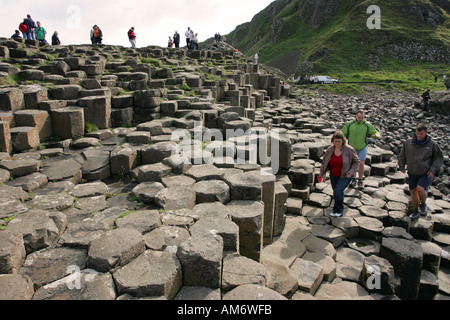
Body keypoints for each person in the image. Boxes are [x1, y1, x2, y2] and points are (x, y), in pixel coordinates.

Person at [398, 123, 443, 220]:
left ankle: (423, 204)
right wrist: (401, 166)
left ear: (426, 133)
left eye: (421, 134)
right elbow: (402, 155)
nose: (419, 136)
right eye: (417, 133)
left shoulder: (432, 144)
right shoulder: (408, 143)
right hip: (412, 170)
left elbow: (438, 158)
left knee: (420, 189)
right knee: (413, 191)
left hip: (425, 172)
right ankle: (415, 210)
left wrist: (433, 171)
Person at [318, 131, 360, 217]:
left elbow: (356, 162)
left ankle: (338, 210)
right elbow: (324, 163)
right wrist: (321, 174)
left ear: (343, 141)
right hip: (333, 175)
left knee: (338, 191)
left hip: (345, 175)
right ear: (332, 141)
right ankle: (337, 209)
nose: (337, 143)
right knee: (337, 192)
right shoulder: (330, 150)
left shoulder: (349, 150)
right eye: (335, 141)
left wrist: (351, 172)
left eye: (339, 141)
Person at [341, 110, 381, 189]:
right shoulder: (349, 124)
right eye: (359, 117)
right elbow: (343, 133)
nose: (360, 119)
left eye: (362, 118)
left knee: (361, 163)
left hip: (362, 146)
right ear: (356, 116)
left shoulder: (367, 125)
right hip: (351, 147)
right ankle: (353, 179)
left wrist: (376, 135)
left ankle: (360, 180)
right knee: (353, 164)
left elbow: (374, 132)